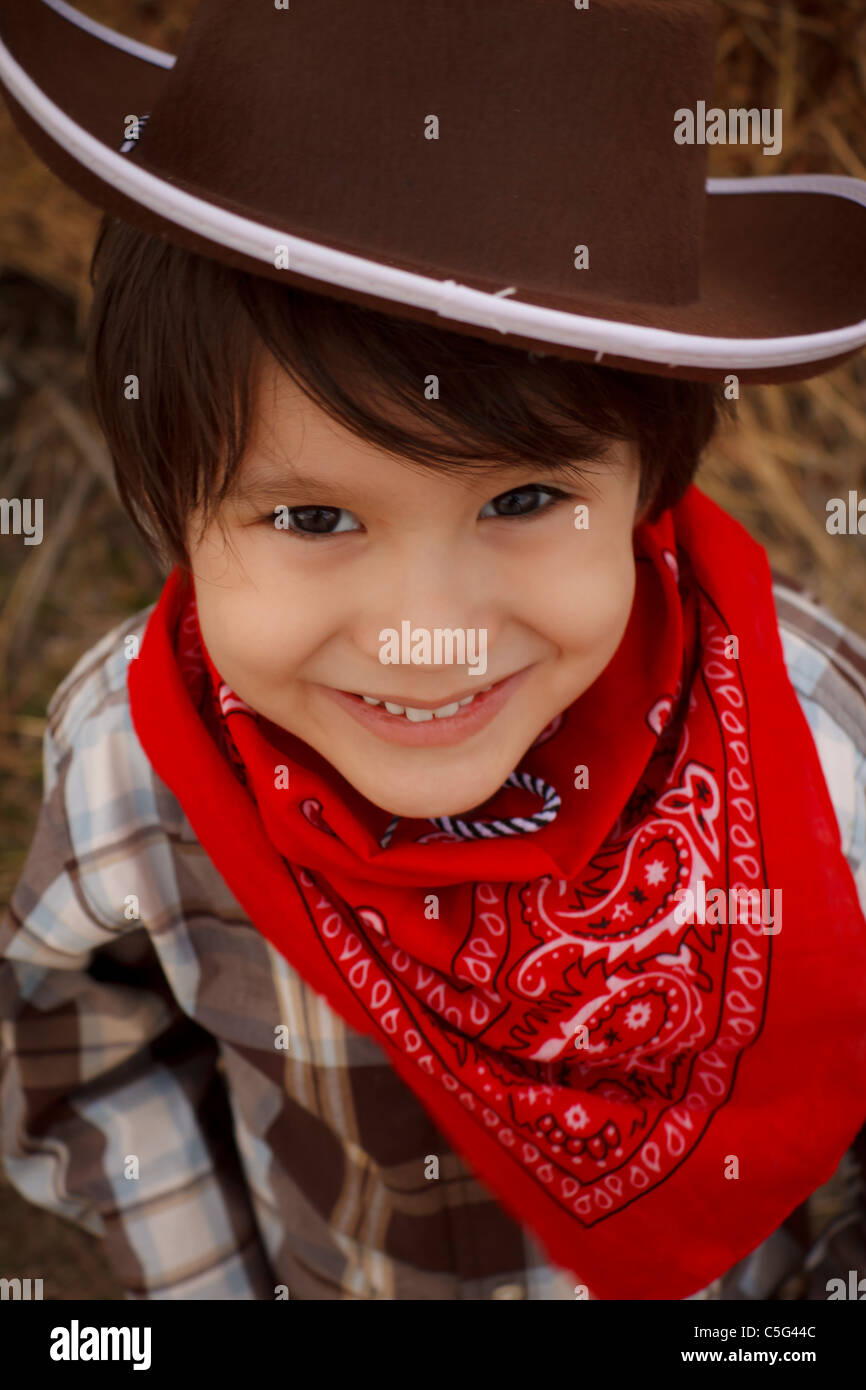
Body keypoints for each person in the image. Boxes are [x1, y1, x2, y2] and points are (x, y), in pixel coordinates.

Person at [1, 0, 866, 1301]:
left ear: (646, 481)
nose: (430, 631)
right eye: (309, 516)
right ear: (168, 502)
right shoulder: (136, 771)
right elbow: (89, 1049)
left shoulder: (816, 749)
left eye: (521, 501)